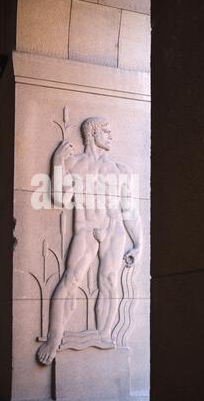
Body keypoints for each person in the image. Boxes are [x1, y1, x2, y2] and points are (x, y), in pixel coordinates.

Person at [37, 117, 142, 365]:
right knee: (70, 280)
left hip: (113, 229)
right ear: (92, 133)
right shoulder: (75, 164)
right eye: (106, 131)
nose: (110, 136)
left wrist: (139, 244)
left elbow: (131, 211)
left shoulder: (120, 170)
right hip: (85, 229)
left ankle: (104, 338)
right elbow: (59, 198)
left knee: (108, 281)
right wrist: (57, 163)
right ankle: (54, 337)